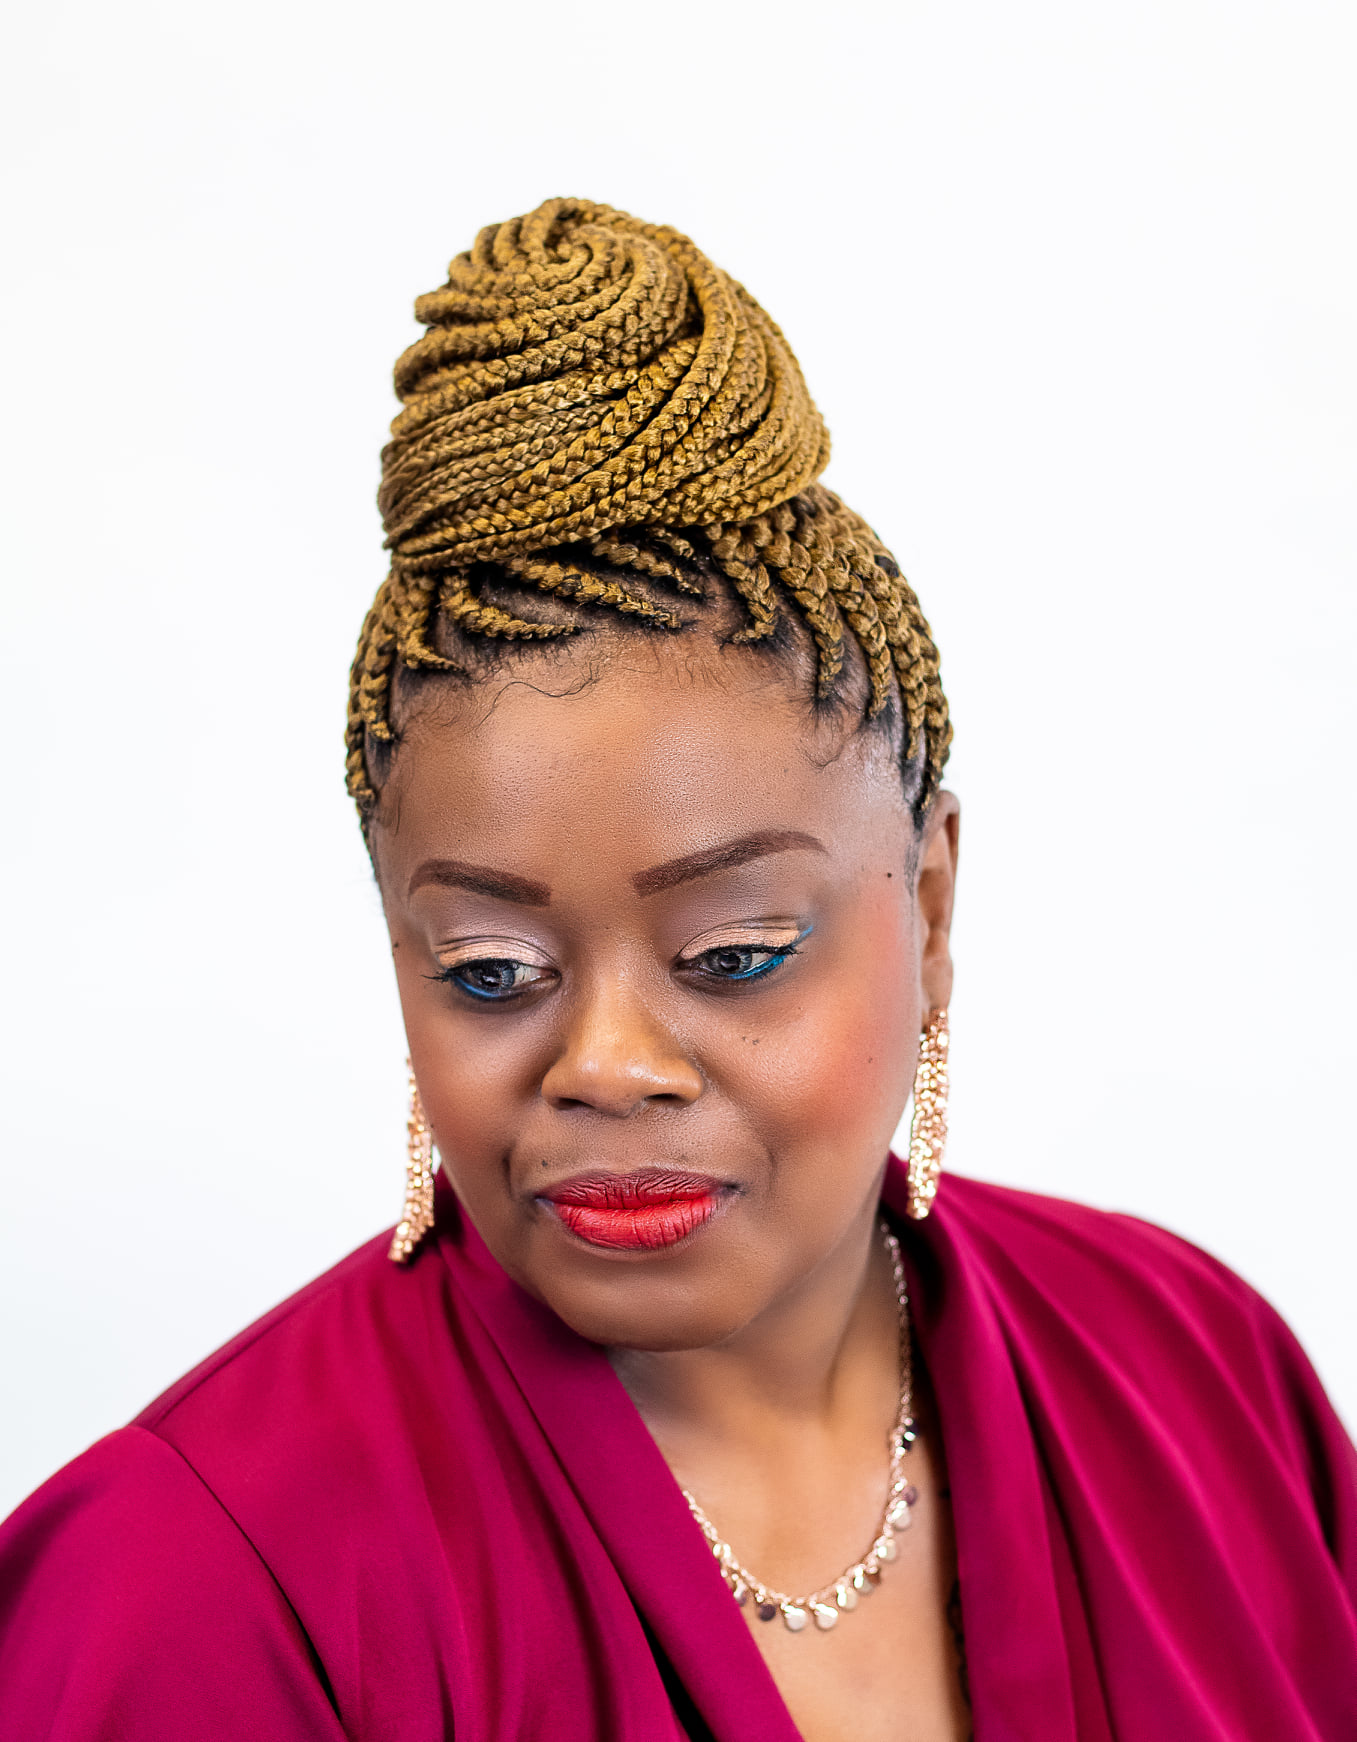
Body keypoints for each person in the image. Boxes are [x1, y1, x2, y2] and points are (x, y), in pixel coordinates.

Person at [1, 198, 1353, 1742]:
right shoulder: (193, 1587)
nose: (608, 1062)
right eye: (490, 969)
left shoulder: (1193, 1375)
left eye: (734, 953)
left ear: (926, 906)